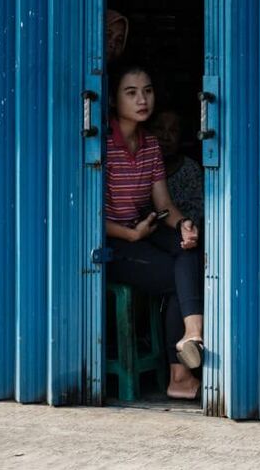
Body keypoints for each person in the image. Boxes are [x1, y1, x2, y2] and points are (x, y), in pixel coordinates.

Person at [103, 60, 204, 400]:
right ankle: (180, 375)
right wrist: (129, 235)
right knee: (179, 277)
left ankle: (192, 333)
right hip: (113, 243)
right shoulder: (101, 145)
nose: (142, 99)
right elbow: (87, 214)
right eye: (131, 93)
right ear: (114, 101)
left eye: (147, 91)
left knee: (187, 247)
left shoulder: (149, 145)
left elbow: (164, 206)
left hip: (143, 229)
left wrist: (183, 224)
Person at [148, 109, 204, 229]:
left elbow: (196, 213)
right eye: (159, 128)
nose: (165, 137)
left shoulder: (190, 170)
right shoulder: (139, 165)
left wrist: (185, 228)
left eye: (173, 130)